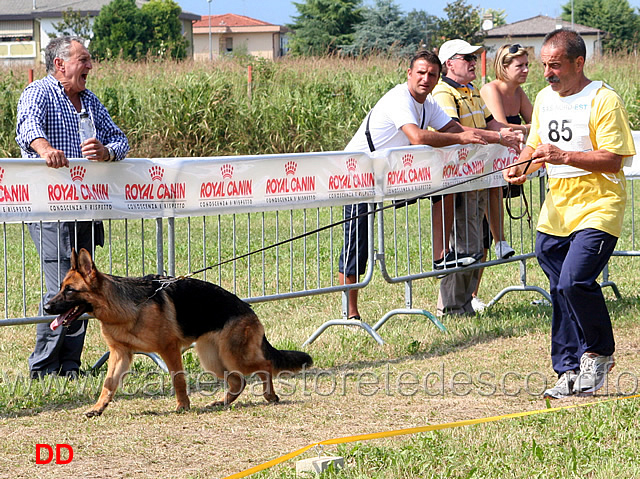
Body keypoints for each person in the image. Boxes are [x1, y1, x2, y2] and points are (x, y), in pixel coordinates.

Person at [504, 29, 635, 398]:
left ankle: (599, 353)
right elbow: (534, 147)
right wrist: (521, 169)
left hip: (599, 203)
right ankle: (568, 369)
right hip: (557, 208)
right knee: (560, 290)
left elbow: (614, 158)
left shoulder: (603, 100)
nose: (547, 73)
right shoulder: (545, 98)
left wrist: (564, 157)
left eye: (555, 65)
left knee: (573, 282)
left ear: (579, 63)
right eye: (544, 65)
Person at [338, 50, 487, 321]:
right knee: (355, 248)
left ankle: (441, 255)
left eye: (432, 74)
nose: (426, 79)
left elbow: (458, 131)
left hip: (391, 177)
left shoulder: (428, 104)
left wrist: (501, 136)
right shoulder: (399, 99)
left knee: (445, 186)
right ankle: (350, 315)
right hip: (357, 177)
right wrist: (462, 140)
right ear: (409, 74)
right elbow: (417, 137)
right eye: (420, 73)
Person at [15, 36, 129, 378]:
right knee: (60, 288)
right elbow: (27, 127)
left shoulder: (90, 101)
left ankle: (70, 366)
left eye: (89, 60)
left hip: (86, 208)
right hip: (51, 210)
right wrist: (44, 149)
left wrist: (107, 151)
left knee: (84, 289)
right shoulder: (39, 92)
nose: (90, 66)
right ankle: (44, 367)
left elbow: (120, 139)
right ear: (60, 64)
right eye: (84, 60)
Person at [432, 39, 523, 316]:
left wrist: (509, 133)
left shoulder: (471, 89)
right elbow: (454, 129)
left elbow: (490, 122)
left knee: (476, 241)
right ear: (450, 63)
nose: (473, 62)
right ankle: (450, 305)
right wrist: (498, 137)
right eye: (467, 58)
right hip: (455, 180)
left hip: (478, 176)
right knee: (462, 243)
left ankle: (465, 301)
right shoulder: (443, 91)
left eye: (474, 57)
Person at [471, 44, 534, 311]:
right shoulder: (490, 89)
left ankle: (473, 294)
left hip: (505, 168)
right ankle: (471, 295)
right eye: (519, 65)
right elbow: (500, 126)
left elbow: (535, 122)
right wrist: (526, 128)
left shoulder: (518, 93)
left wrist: (524, 128)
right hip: (483, 169)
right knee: (478, 240)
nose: (526, 70)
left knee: (483, 236)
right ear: (503, 67)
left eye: (526, 64)